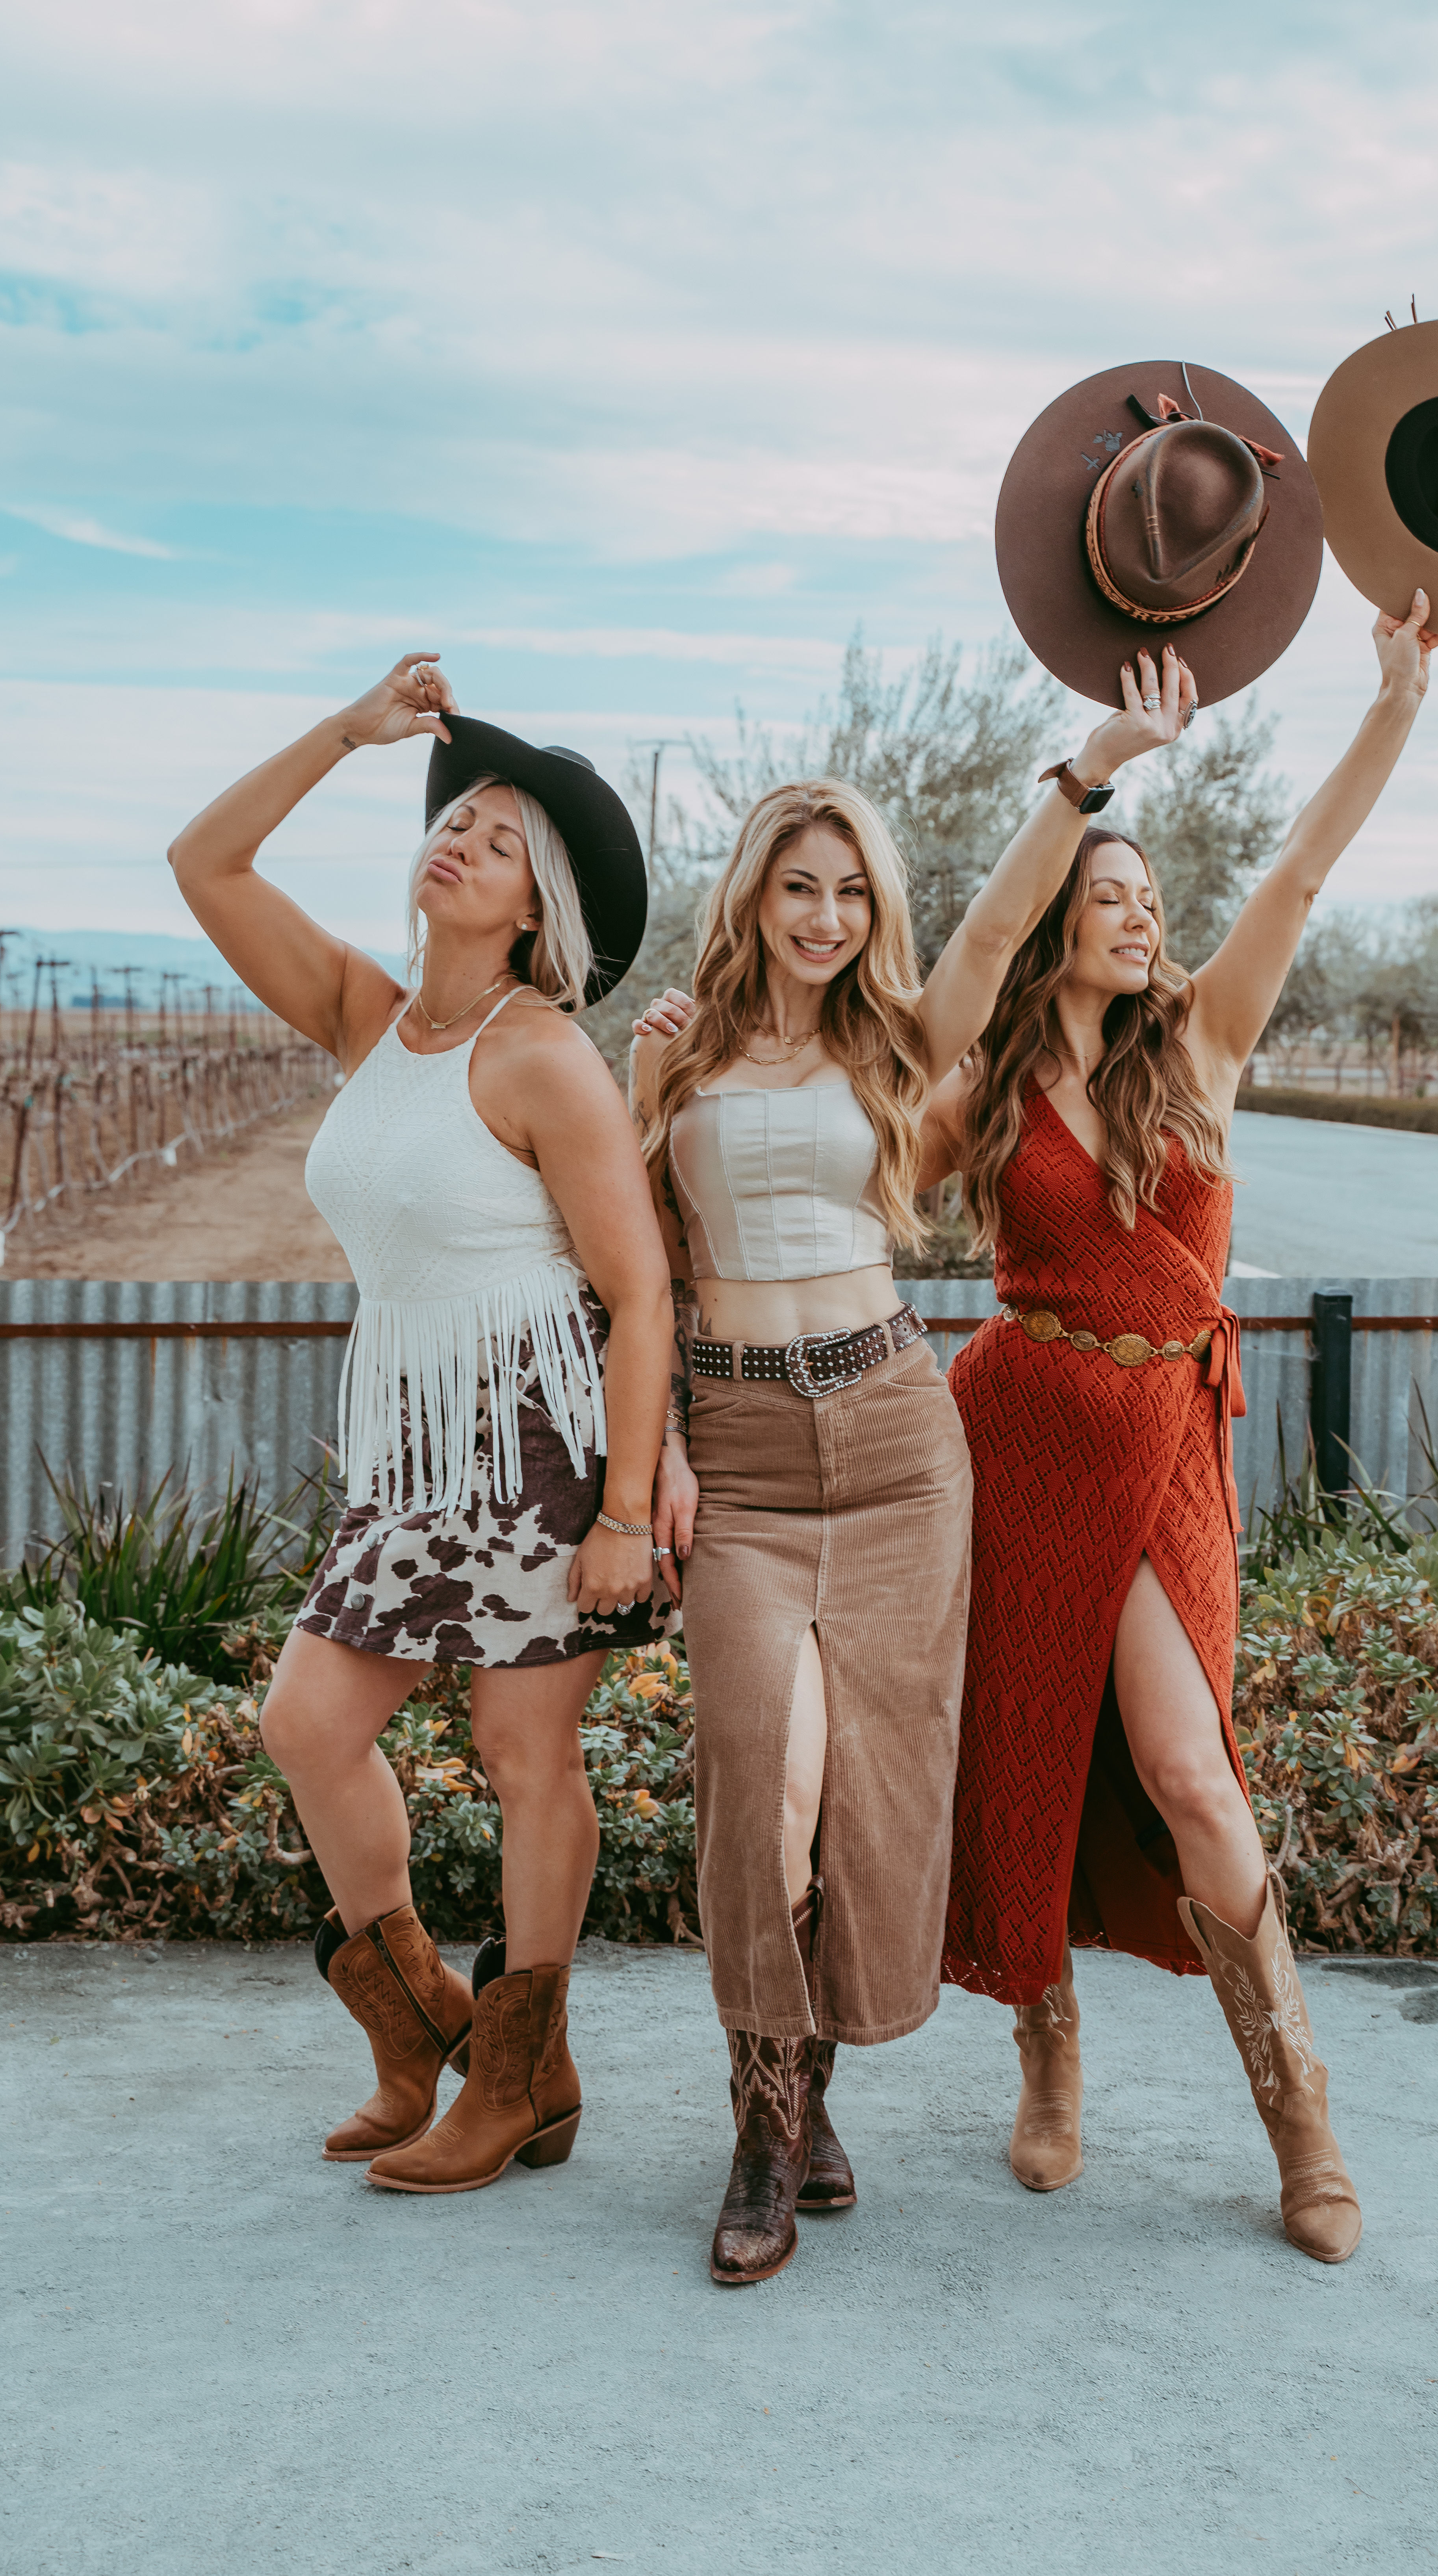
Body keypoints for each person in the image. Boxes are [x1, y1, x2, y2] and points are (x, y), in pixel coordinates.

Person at [630, 662, 1186, 2285]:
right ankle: (759, 2115)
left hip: (888, 1440)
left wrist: (1090, 768)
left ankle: (797, 2103)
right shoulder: (669, 1058)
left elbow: (1006, 930)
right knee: (768, 1781)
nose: (822, 915)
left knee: (866, 1798)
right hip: (735, 1449)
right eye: (798, 887)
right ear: (754, 898)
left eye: (850, 890)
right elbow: (639, 1273)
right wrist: (652, 1452)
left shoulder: (902, 1040)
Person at [926, 598, 1438, 2264]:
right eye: (1109, 897)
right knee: (1026, 1752)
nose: (1139, 919)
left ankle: (1301, 2113)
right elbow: (883, 1112)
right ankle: (1045, 2045)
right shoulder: (991, 1092)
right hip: (1017, 1432)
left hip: (1168, 1442)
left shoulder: (1206, 1041)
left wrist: (1395, 703)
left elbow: (1299, 866)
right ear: (1056, 924)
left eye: (1152, 900)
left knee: (1186, 1772)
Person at [169, 651, 674, 2195]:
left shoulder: (546, 1062)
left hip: (537, 1438)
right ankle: (418, 2027)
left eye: (501, 839)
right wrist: (351, 732)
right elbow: (206, 862)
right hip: (409, 1452)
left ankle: (518, 2078)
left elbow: (639, 1295)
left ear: (537, 909)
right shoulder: (367, 1017)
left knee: (527, 1757)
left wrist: (626, 1515)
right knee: (307, 1725)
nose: (456, 838)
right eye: (456, 819)